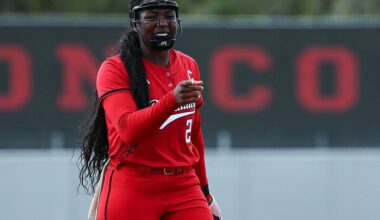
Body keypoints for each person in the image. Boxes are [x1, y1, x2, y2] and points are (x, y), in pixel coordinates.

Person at [78, 0, 222, 220]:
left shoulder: (189, 65)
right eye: (152, 17)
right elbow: (128, 129)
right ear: (136, 23)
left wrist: (206, 194)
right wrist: (170, 101)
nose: (162, 23)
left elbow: (193, 135)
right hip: (133, 182)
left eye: (169, 16)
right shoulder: (114, 68)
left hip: (183, 183)